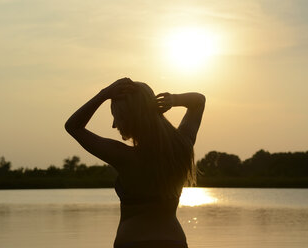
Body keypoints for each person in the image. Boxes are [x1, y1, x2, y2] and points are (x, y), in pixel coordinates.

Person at [65, 77, 205, 248]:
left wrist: (104, 94)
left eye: (116, 117)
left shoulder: (122, 156)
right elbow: (199, 101)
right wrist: (174, 99)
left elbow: (73, 126)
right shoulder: (182, 146)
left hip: (133, 242)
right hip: (174, 241)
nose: (114, 125)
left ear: (129, 118)